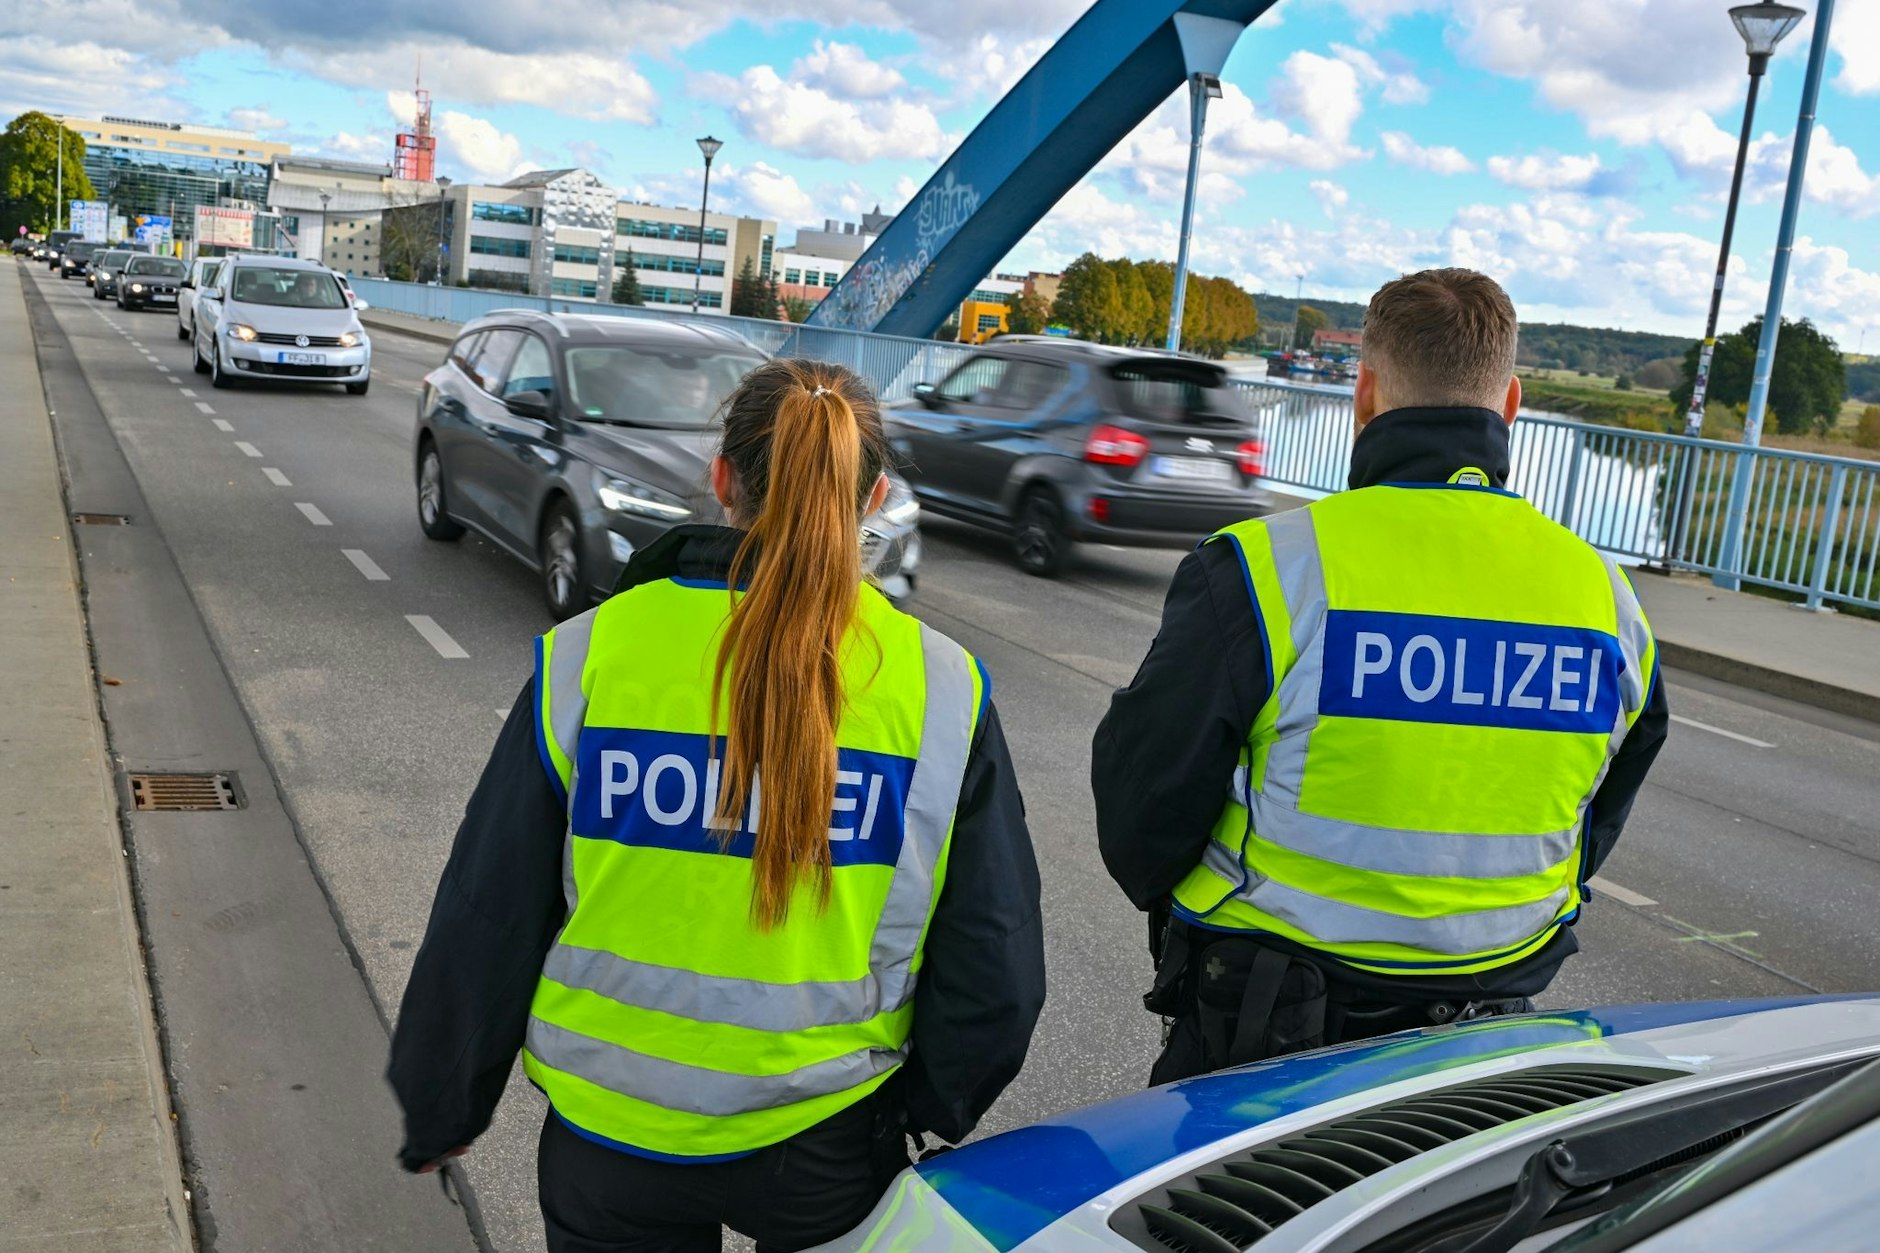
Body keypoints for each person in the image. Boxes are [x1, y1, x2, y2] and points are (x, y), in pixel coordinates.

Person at [389, 359, 1046, 1251]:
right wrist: (923, 1107)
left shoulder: (590, 656)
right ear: (874, 493)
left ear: (723, 478)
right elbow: (994, 956)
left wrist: (443, 1104)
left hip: (611, 1136)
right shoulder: (940, 687)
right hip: (824, 1136)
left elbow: (487, 910)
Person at [1092, 268, 1668, 1085]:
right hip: (1490, 1034)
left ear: (1362, 396)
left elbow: (1142, 801)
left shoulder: (1269, 569)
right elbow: (1603, 806)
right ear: (1510, 404)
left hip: (1272, 1029)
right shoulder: (1606, 597)